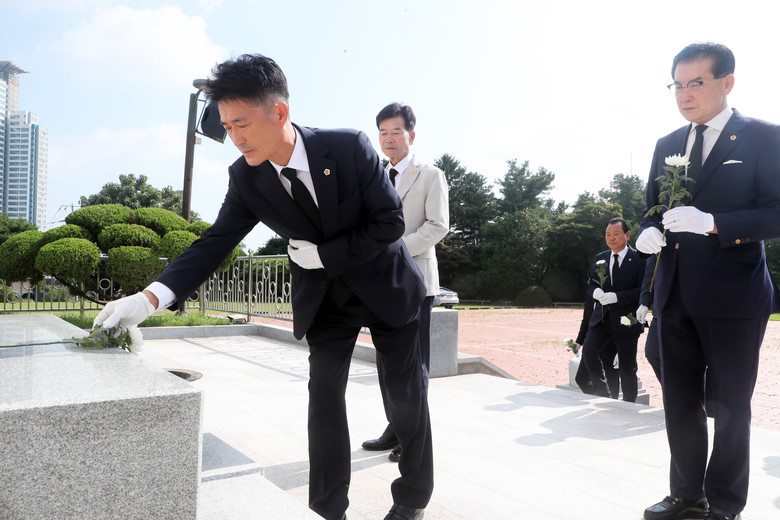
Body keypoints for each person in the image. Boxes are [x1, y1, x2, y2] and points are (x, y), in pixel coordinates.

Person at [94, 54, 432, 520]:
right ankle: (327, 509)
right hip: (327, 301)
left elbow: (390, 222)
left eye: (242, 123)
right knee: (324, 399)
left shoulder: (348, 147)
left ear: (279, 112)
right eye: (227, 127)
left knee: (407, 397)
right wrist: (150, 297)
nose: (235, 138)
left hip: (387, 287)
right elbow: (216, 241)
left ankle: (411, 499)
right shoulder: (246, 176)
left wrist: (324, 255)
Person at [637, 42, 780, 520]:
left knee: (732, 404)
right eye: (677, 84)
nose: (685, 94)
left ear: (727, 82)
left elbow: (776, 212)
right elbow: (650, 209)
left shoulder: (765, 137)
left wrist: (716, 223)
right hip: (674, 292)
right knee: (679, 401)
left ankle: (724, 502)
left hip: (734, 295)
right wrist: (647, 230)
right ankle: (686, 494)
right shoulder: (667, 144)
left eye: (695, 82)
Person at [362, 103, 449, 464]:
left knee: (413, 365)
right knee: (385, 362)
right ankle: (394, 426)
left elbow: (437, 225)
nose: (388, 138)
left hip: (415, 280)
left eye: (395, 131)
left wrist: (394, 250)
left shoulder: (430, 174)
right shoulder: (375, 176)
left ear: (411, 135)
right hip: (381, 284)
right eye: (382, 132)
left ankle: (412, 437)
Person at [581, 218, 646, 402]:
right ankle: (604, 394)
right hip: (602, 318)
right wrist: (596, 292)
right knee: (589, 352)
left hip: (627, 320)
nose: (611, 238)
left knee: (627, 367)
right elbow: (592, 284)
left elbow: (643, 289)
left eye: (616, 234)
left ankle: (629, 404)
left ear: (627, 235)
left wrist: (618, 297)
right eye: (608, 234)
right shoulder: (601, 258)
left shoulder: (640, 259)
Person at [573, 290, 620, 398]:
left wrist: (620, 351)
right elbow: (586, 321)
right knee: (581, 379)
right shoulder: (589, 295)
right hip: (591, 346)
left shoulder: (613, 293)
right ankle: (601, 398)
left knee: (612, 385)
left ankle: (610, 403)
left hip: (610, 345)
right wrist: (579, 342)